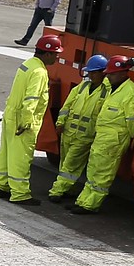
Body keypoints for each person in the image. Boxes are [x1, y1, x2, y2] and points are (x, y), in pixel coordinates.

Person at [0, 33, 61, 204]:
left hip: (11, 114)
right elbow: (32, 98)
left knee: (6, 153)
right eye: (56, 54)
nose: (57, 58)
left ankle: (0, 186)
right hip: (23, 119)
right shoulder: (39, 72)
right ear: (48, 53)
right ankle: (20, 194)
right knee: (21, 157)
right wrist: (26, 121)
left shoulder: (27, 64)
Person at [74, 55, 134, 215]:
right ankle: (83, 201)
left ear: (123, 73)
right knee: (93, 170)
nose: (108, 76)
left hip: (114, 140)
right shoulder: (114, 87)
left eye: (111, 74)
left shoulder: (131, 93)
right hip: (102, 138)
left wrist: (127, 141)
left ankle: (90, 205)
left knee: (103, 174)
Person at [47, 55, 109, 203]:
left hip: (85, 135)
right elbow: (67, 105)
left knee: (71, 164)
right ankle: (70, 189)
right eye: (90, 72)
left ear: (103, 73)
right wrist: (60, 123)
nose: (91, 75)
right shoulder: (82, 87)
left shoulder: (106, 92)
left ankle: (56, 191)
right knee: (64, 163)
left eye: (94, 72)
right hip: (68, 132)